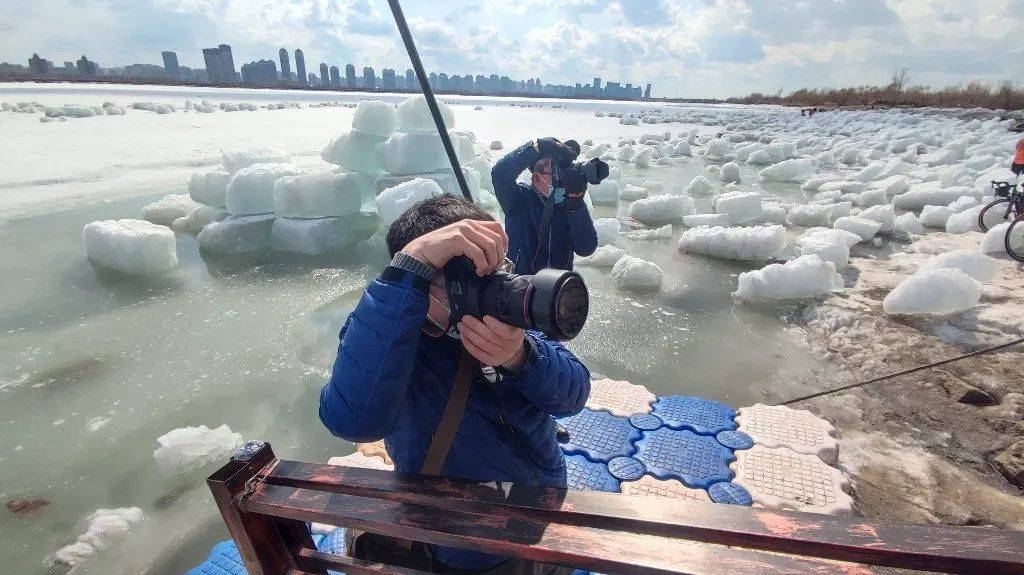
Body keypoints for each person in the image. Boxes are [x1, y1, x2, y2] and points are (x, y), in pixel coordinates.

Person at [319, 195, 591, 573]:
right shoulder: (390, 339)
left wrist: (520, 357)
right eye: (468, 279)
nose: (493, 287)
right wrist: (409, 269)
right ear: (420, 282)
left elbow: (574, 395)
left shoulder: (511, 322)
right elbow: (352, 422)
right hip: (462, 538)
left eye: (497, 270)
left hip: (544, 501)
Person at [491, 138, 600, 274]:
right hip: (519, 288)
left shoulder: (570, 205)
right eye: (556, 173)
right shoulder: (518, 199)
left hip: (555, 290)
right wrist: (538, 148)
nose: (562, 180)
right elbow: (500, 173)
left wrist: (576, 204)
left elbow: (586, 248)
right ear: (536, 178)